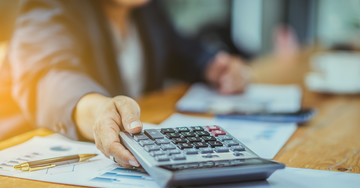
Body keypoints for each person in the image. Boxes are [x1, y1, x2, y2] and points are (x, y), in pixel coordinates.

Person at [0, 0, 251, 167]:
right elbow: (48, 77)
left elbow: (182, 50)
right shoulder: (48, 7)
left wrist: (215, 66)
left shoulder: (146, 10)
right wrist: (98, 110)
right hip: (35, 167)